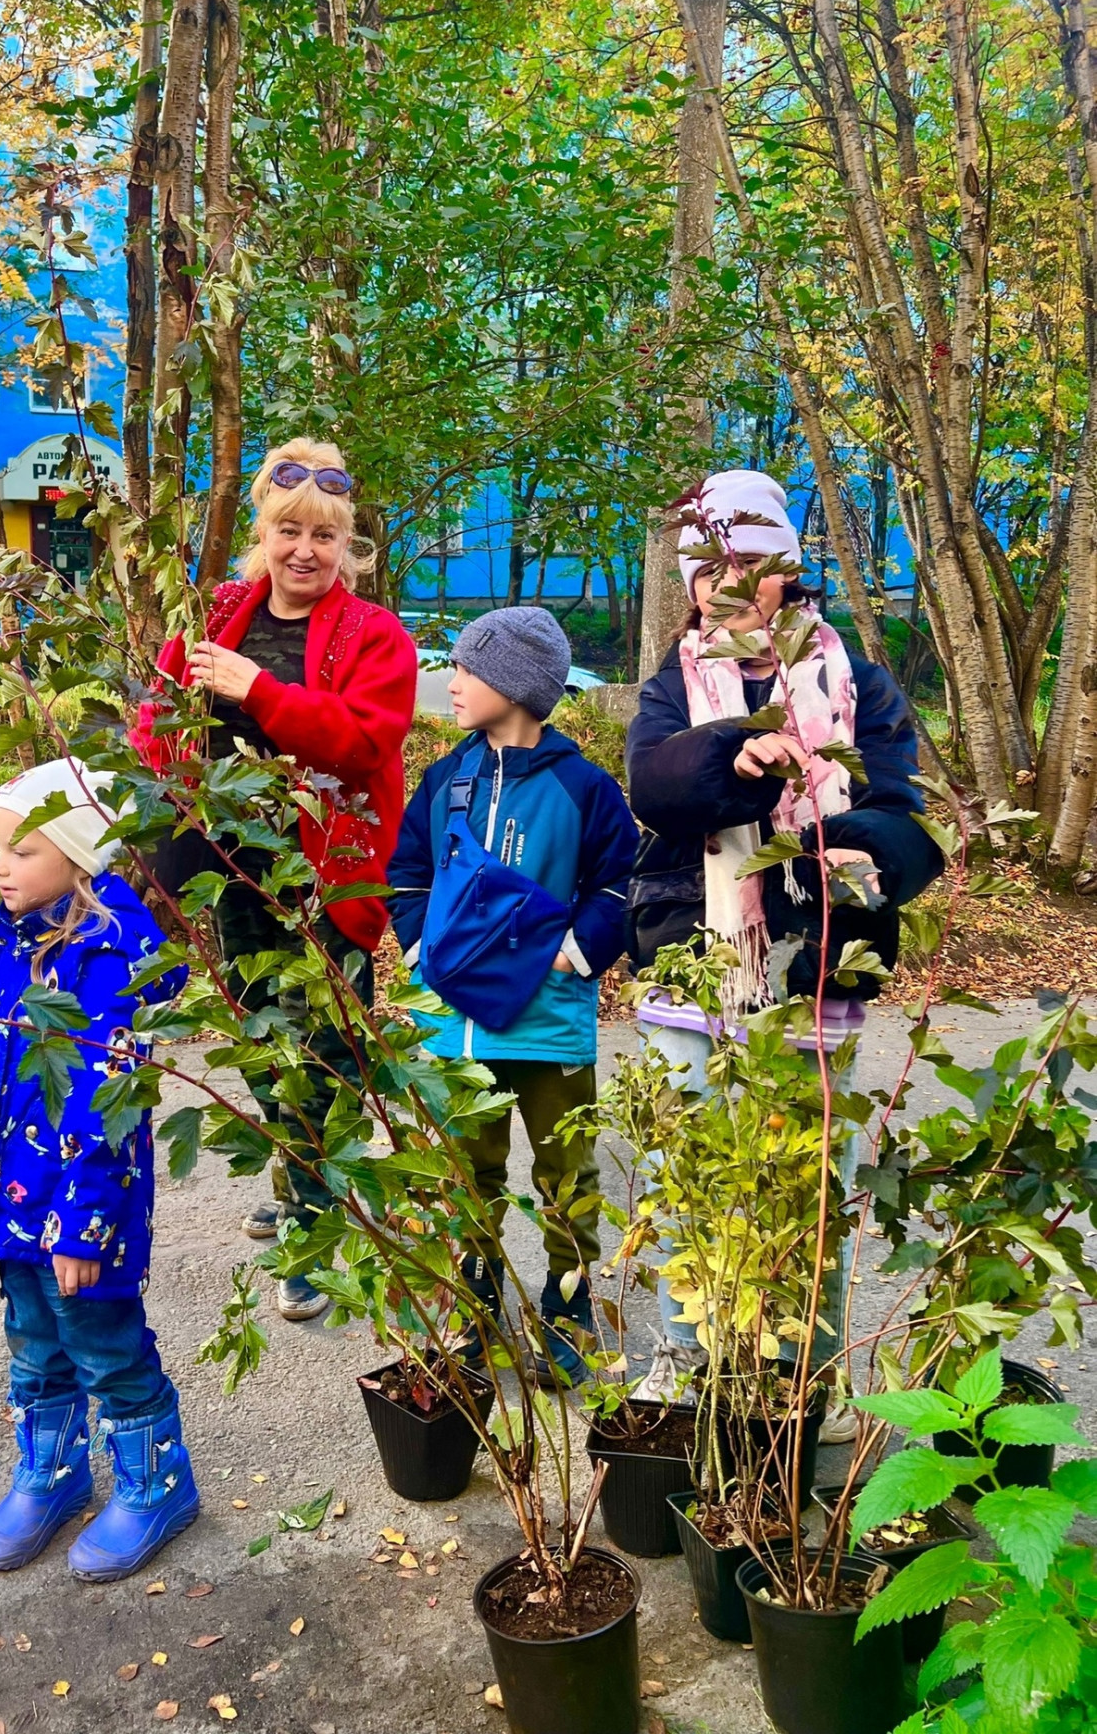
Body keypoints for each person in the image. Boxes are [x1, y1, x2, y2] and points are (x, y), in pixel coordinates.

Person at [625, 469, 943, 1429]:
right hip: (696, 957)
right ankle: (690, 1362)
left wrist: (867, 845)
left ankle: (806, 1370)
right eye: (712, 568)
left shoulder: (860, 683)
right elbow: (653, 789)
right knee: (691, 1164)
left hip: (818, 958)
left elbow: (908, 819)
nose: (731, 584)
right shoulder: (671, 686)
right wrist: (735, 752)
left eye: (751, 564)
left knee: (807, 1174)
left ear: (786, 571)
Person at [144, 439, 418, 1321]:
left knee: (330, 1048)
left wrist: (260, 689)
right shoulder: (215, 610)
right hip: (229, 865)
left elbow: (364, 741)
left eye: (325, 537)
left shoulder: (375, 634)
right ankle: (305, 1174)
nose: (305, 550)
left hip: (328, 873)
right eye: (288, 530)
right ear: (260, 532)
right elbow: (159, 716)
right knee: (263, 1035)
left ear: (348, 547)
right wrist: (164, 760)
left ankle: (315, 1229)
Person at [0, 758, 196, 1579]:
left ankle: (157, 1483)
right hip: (9, 1201)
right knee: (33, 1339)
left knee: (102, 1342)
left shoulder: (108, 959)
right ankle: (53, 1469)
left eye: (25, 851)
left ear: (81, 858)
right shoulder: (4, 944)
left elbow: (106, 1106)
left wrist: (82, 1229)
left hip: (81, 1208)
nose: (1, 867)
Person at [388, 607, 638, 1383]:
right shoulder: (444, 780)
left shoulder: (584, 788)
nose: (450, 683)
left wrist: (576, 950)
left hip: (551, 1027)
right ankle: (473, 1299)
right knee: (467, 1175)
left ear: (517, 685)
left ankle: (566, 1305)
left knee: (567, 1175)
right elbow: (407, 873)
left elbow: (620, 883)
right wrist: (421, 946)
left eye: (466, 668)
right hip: (453, 1036)